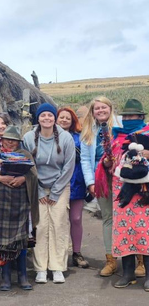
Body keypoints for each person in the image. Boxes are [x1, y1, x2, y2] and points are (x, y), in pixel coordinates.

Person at [23, 103, 75, 284]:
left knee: (59, 225)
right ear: (38, 118)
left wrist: (54, 193)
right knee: (40, 226)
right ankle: (41, 268)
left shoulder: (65, 137)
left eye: (50, 115)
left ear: (55, 117)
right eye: (43, 115)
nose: (47, 118)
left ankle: (58, 267)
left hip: (59, 187)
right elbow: (27, 166)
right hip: (37, 187)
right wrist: (38, 191)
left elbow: (69, 166)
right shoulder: (29, 138)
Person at [100, 99, 149, 289]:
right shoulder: (116, 137)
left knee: (145, 231)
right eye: (126, 116)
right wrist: (106, 163)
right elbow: (110, 161)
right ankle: (128, 273)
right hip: (121, 191)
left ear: (141, 117)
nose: (129, 119)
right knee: (124, 231)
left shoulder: (147, 133)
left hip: (144, 191)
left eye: (133, 116)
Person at [0, 126, 38, 291]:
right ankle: (5, 277)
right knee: (2, 243)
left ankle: (23, 277)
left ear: (18, 142)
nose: (10, 143)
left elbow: (34, 174)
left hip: (21, 203)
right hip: (2, 203)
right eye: (7, 140)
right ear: (2, 140)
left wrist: (23, 178)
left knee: (21, 241)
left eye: (14, 140)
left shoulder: (26, 155)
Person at [80, 96, 122, 277]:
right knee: (107, 218)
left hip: (121, 175)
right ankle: (110, 260)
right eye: (97, 108)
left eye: (103, 107)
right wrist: (90, 182)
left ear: (110, 108)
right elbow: (85, 160)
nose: (100, 111)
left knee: (128, 217)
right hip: (100, 177)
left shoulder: (120, 126)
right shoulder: (88, 131)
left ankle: (139, 260)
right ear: (93, 112)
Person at [57, 107, 89, 268]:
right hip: (57, 184)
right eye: (61, 117)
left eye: (67, 118)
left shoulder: (79, 138)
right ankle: (58, 253)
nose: (64, 120)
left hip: (76, 181)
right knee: (58, 219)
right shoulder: (49, 137)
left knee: (76, 219)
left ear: (72, 121)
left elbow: (86, 160)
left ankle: (76, 252)